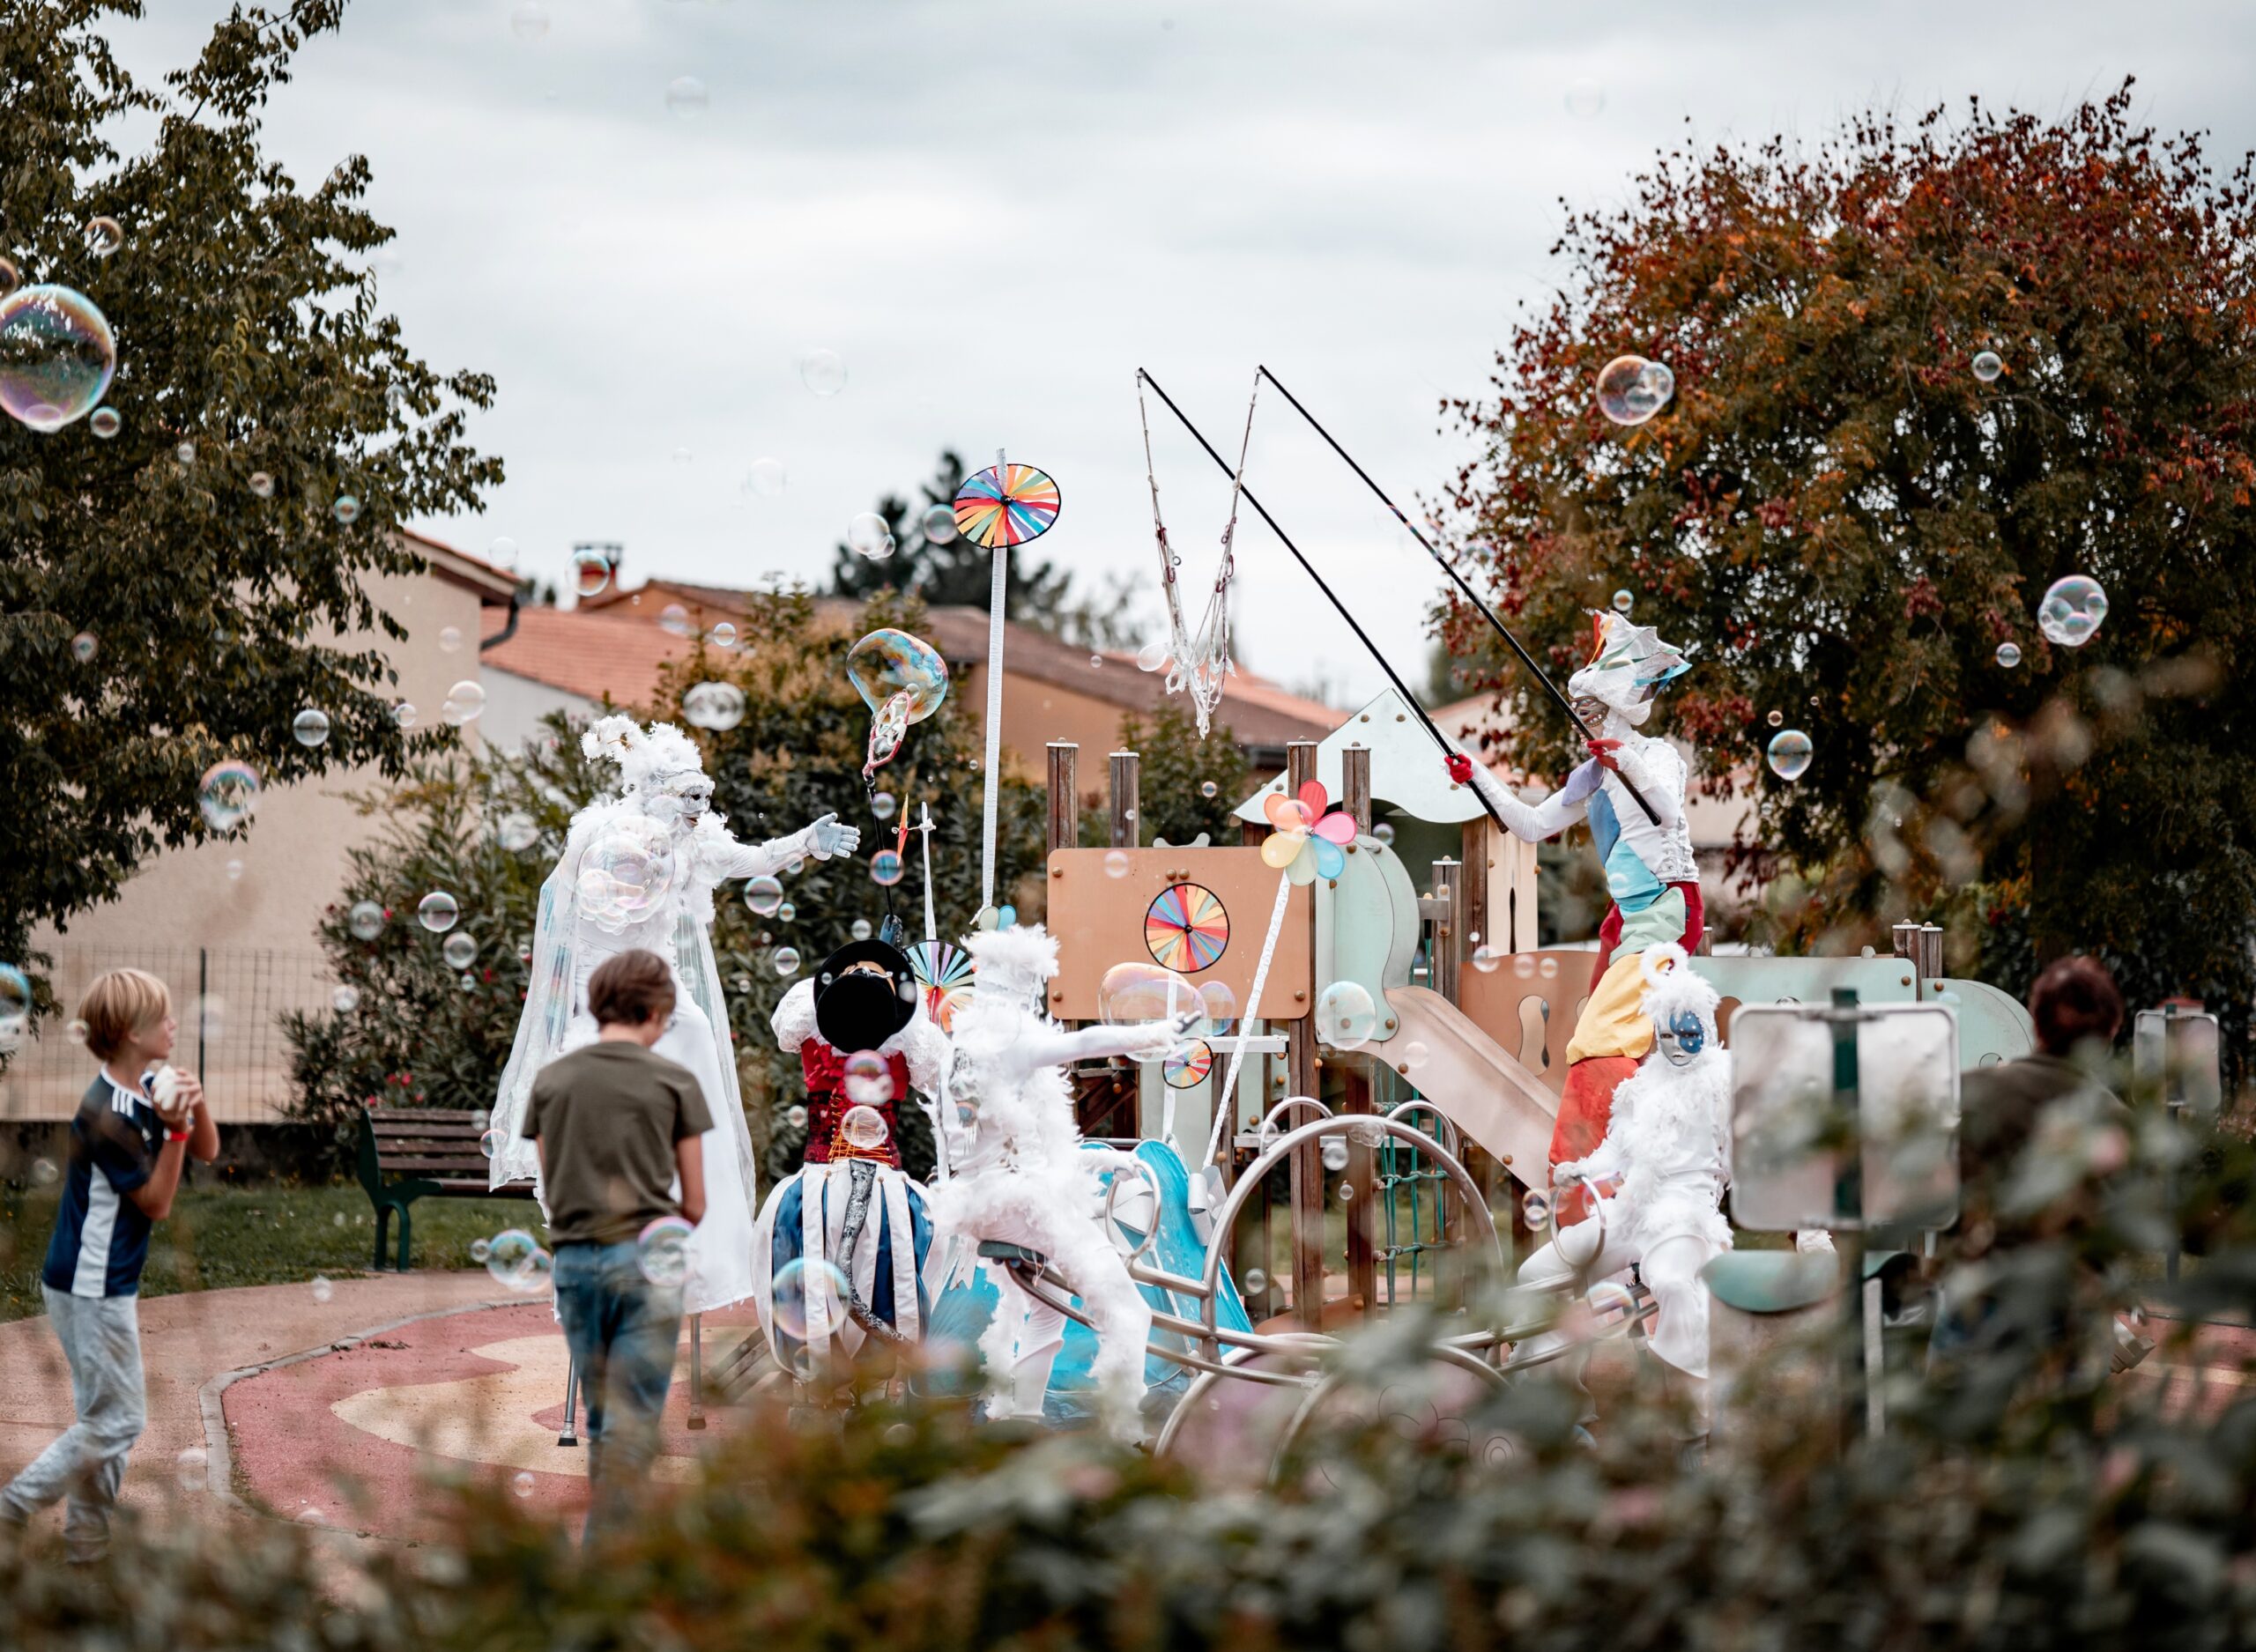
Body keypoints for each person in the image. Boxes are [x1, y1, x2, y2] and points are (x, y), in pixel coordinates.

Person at [488, 714, 859, 1316]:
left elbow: (753, 858)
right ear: (653, 792)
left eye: (703, 798)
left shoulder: (694, 841)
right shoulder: (604, 836)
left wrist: (804, 843)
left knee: (697, 1031)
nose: (698, 810)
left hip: (662, 991)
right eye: (688, 798)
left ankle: (697, 1231)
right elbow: (574, 919)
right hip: (607, 994)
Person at [1444, 610, 1699, 1220]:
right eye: (1579, 709)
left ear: (1616, 708)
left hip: (1666, 913)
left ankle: (1585, 1186)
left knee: (1600, 1038)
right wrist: (1476, 776)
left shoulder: (1656, 756)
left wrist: (1624, 762)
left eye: (1591, 708)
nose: (1582, 718)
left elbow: (1665, 811)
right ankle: (1627, 1178)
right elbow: (1530, 824)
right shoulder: (1591, 773)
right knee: (1625, 1046)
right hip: (1628, 922)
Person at [931, 924, 1181, 1441]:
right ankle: (1124, 1432)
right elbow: (1083, 1042)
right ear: (1028, 985)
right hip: (1021, 1201)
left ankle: (1022, 1420)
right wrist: (1151, 1034)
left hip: (987, 1198)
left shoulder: (968, 1040)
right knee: (1127, 1310)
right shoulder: (1011, 1036)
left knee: (1048, 1311)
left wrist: (1096, 1163)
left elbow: (1013, 1143)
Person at [2, 968, 219, 1561]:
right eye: (161, 1017)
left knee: (105, 1418)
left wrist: (194, 1104)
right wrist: (174, 1131)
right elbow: (158, 1202)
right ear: (128, 1032)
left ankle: (87, 1546)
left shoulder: (152, 1081)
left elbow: (210, 1149)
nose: (173, 1023)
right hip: (89, 1285)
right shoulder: (107, 1113)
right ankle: (11, 1510)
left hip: (100, 1282)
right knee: (119, 1419)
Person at [522, 948, 710, 1547]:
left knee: (603, 1421)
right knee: (634, 1426)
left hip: (575, 1262)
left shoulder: (552, 1079)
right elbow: (697, 1203)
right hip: (648, 1259)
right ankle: (609, 1571)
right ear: (657, 1011)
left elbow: (553, 1189)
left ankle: (610, 1558)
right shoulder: (674, 1080)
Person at [1515, 944, 1729, 1445]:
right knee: (1536, 1273)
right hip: (1630, 1210)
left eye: (1689, 1034)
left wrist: (1806, 1224)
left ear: (1707, 1031)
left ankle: (1687, 1419)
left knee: (1676, 1284)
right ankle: (1556, 1402)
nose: (1677, 1046)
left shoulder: (1725, 1085)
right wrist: (1579, 1169)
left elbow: (1758, 1158)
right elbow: (1616, 1151)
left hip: (1684, 1217)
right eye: (1667, 1034)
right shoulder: (1640, 1086)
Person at [1931, 954, 2140, 1386]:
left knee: (1953, 1445)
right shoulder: (2114, 1120)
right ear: (2110, 1031)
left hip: (1977, 1300)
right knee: (2065, 1448)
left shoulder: (1970, 1093)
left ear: (2037, 1020)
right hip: (2068, 1314)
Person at [752, 939, 949, 1379]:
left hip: (880, 1182)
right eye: (855, 970)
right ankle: (823, 1375)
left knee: (888, 1264)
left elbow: (936, 1073)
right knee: (808, 1262)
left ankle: (871, 1377)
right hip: (825, 1178)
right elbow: (787, 1028)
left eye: (876, 973)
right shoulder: (814, 1019)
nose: (863, 976)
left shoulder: (906, 1034)